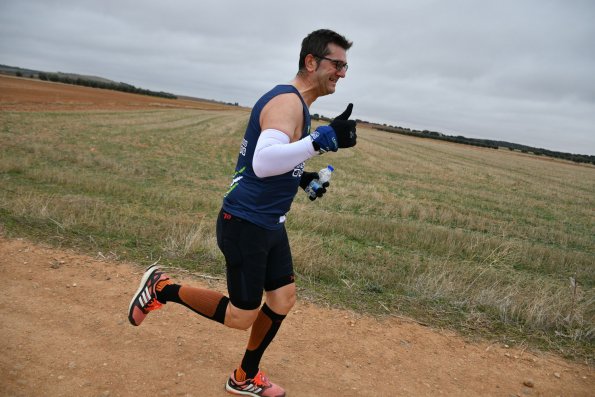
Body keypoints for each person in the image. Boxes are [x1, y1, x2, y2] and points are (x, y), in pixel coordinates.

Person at [128, 28, 357, 397]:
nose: (343, 73)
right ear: (311, 61)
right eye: (337, 64)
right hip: (245, 223)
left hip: (269, 223)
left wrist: (302, 179)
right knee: (240, 317)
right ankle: (163, 288)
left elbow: (276, 161)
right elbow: (263, 162)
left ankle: (244, 376)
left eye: (346, 66)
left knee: (283, 299)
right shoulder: (287, 102)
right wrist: (318, 141)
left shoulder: (298, 104)